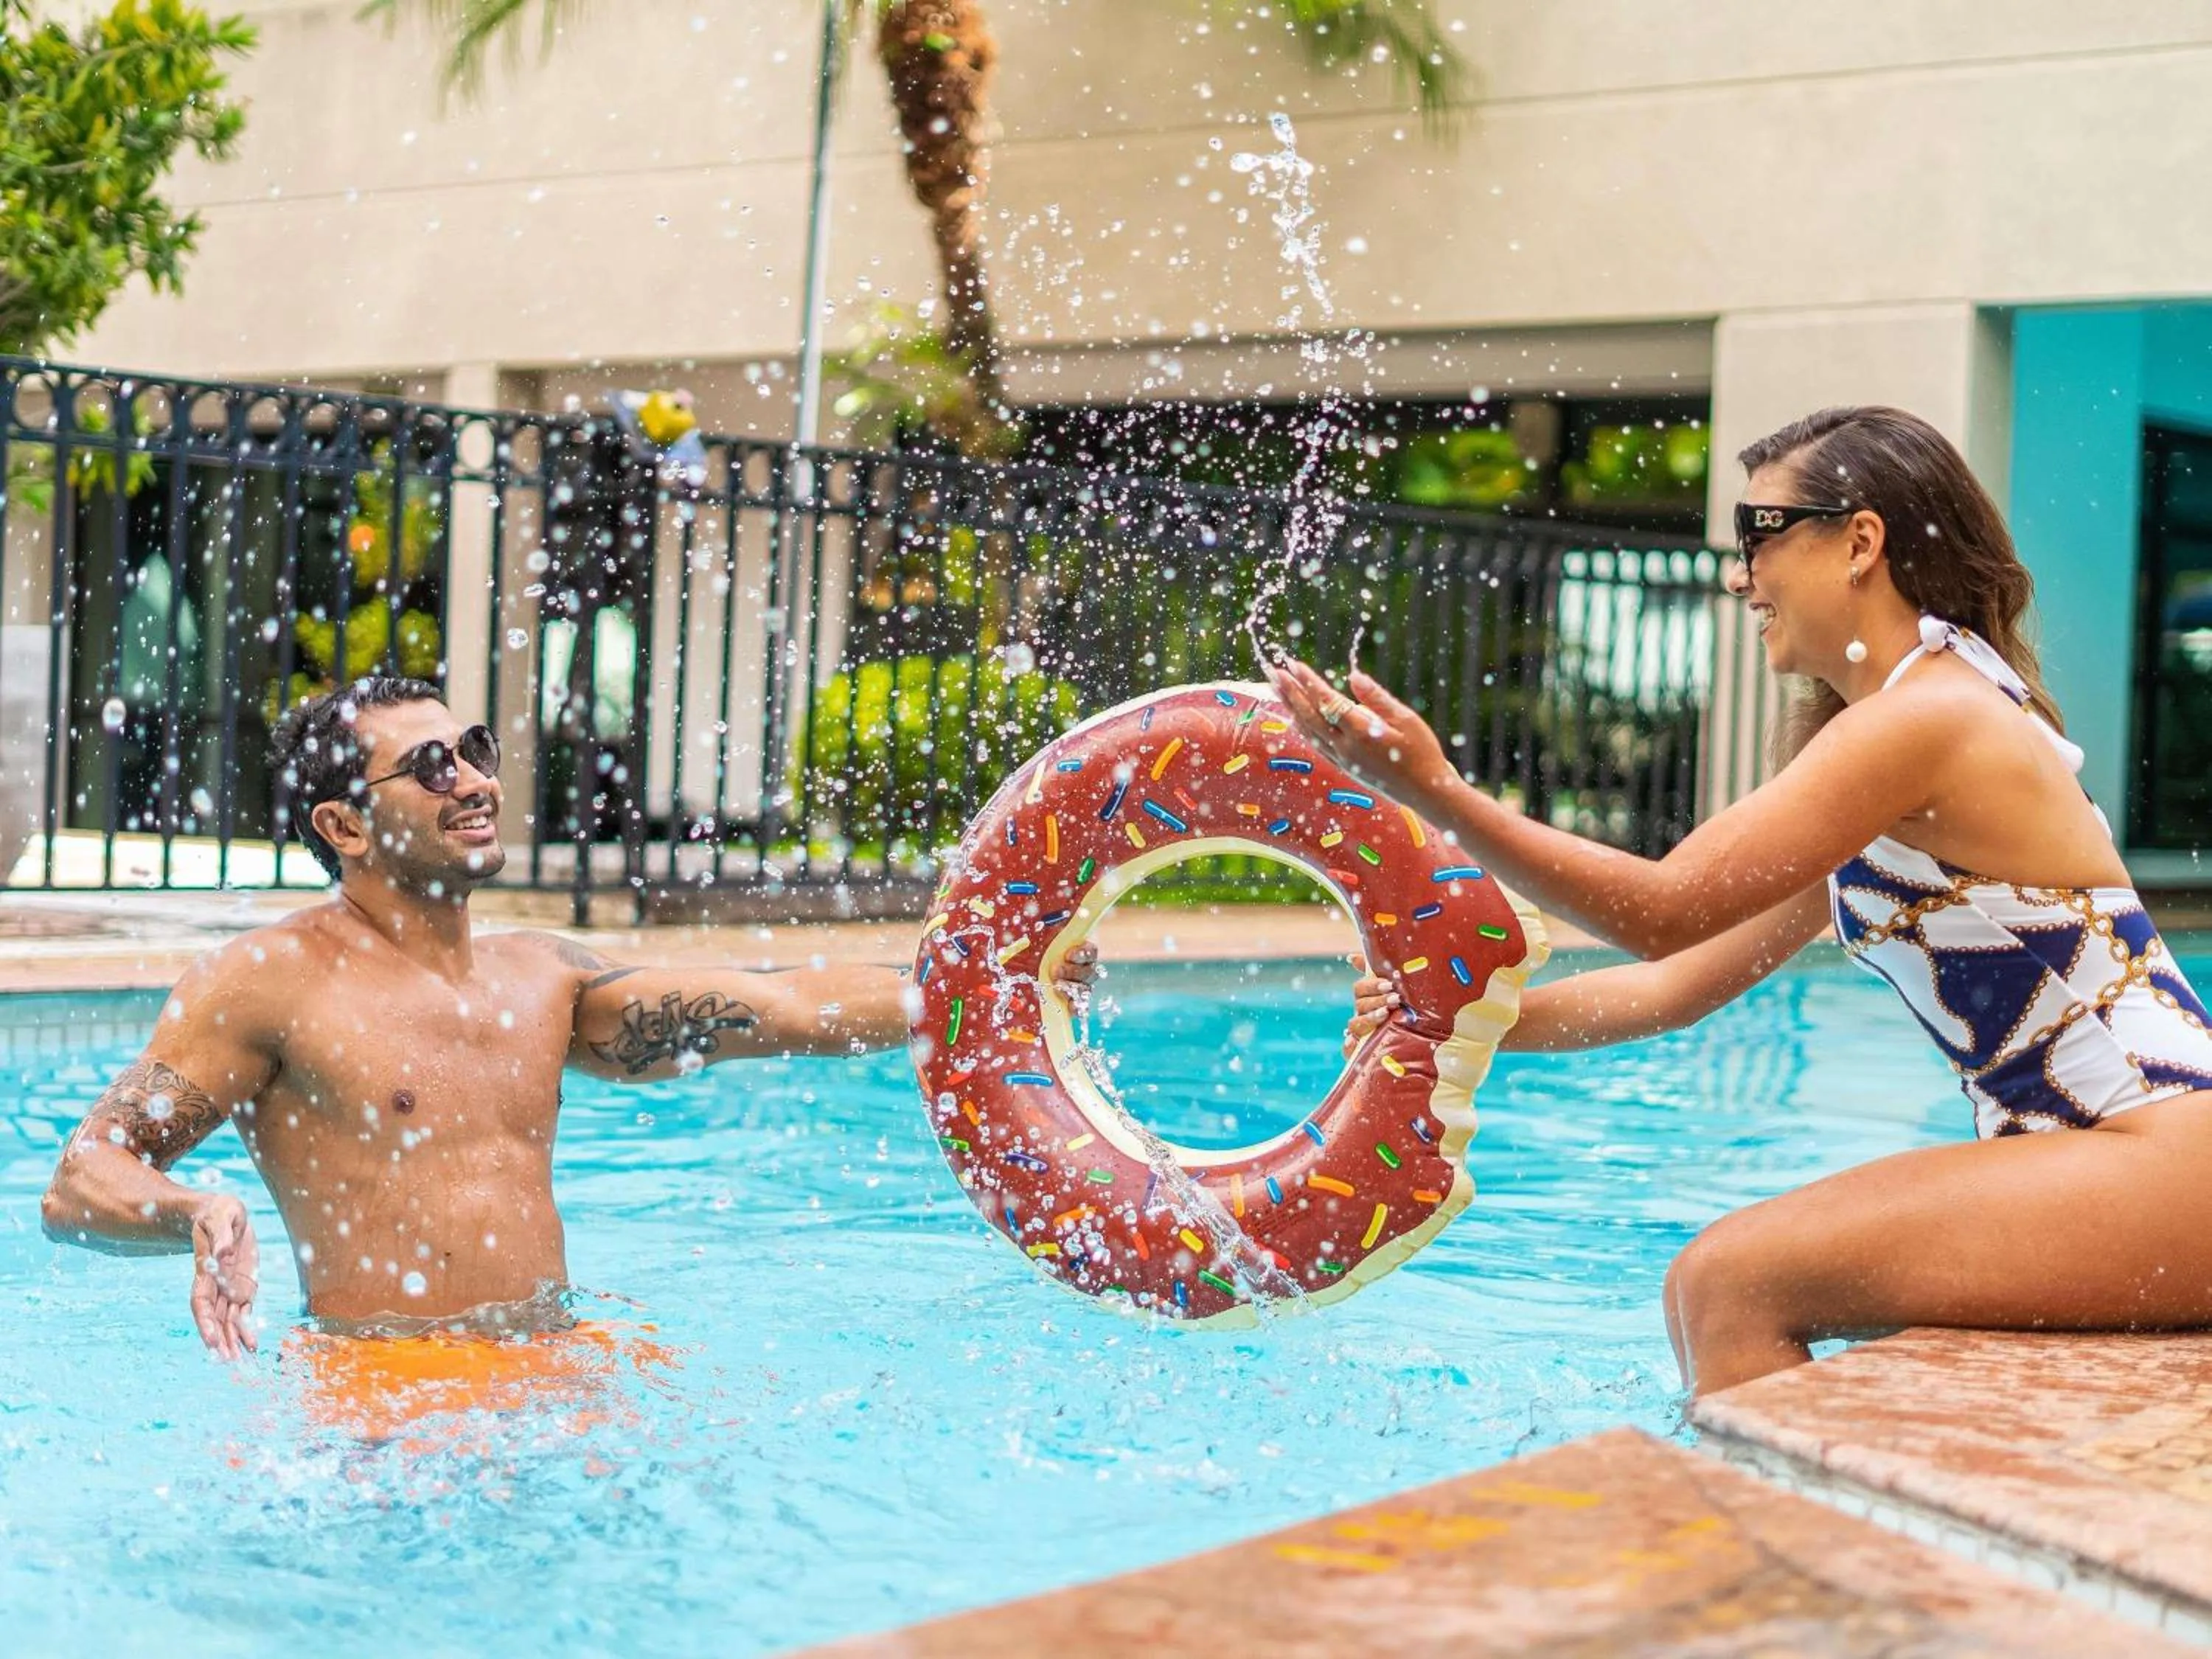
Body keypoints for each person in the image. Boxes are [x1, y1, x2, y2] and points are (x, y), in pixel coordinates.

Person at [1280, 405, 2212, 1398]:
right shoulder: (1900, 725)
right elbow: (1677, 983)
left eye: (1757, 534)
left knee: (1728, 1284)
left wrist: (1438, 793)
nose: (1739, 577)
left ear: (1860, 542)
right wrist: (1456, 1020)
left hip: (2161, 1159)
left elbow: (1662, 909)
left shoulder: (1929, 717)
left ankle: (1749, 1504)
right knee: (1716, 1288)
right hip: (2116, 1162)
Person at [41, 676, 1094, 1360]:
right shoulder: (268, 982)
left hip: (554, 1362)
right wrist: (194, 1211)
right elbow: (80, 1177)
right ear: (344, 826)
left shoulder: (541, 978)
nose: (474, 781)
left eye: (475, 749)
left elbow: (784, 1004)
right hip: (385, 1389)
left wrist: (996, 976)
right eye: (431, 766)